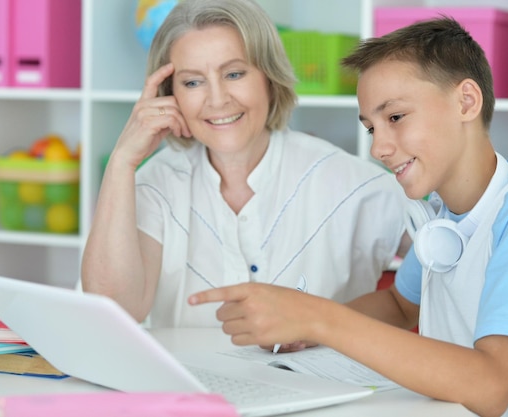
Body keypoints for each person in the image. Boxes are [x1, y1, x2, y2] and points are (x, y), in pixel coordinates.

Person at [189, 17, 508, 417]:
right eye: (370, 128)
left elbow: (491, 385)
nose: (379, 148)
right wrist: (301, 324)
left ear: (466, 102)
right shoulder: (439, 216)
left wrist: (320, 319)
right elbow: (401, 306)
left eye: (395, 117)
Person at [81, 0, 408, 329]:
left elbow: (446, 271)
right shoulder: (154, 183)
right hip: (188, 381)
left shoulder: (349, 182)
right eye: (193, 82)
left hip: (317, 381)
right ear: (169, 94)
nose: (218, 99)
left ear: (269, 76)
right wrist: (122, 161)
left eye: (234, 74)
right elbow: (113, 313)